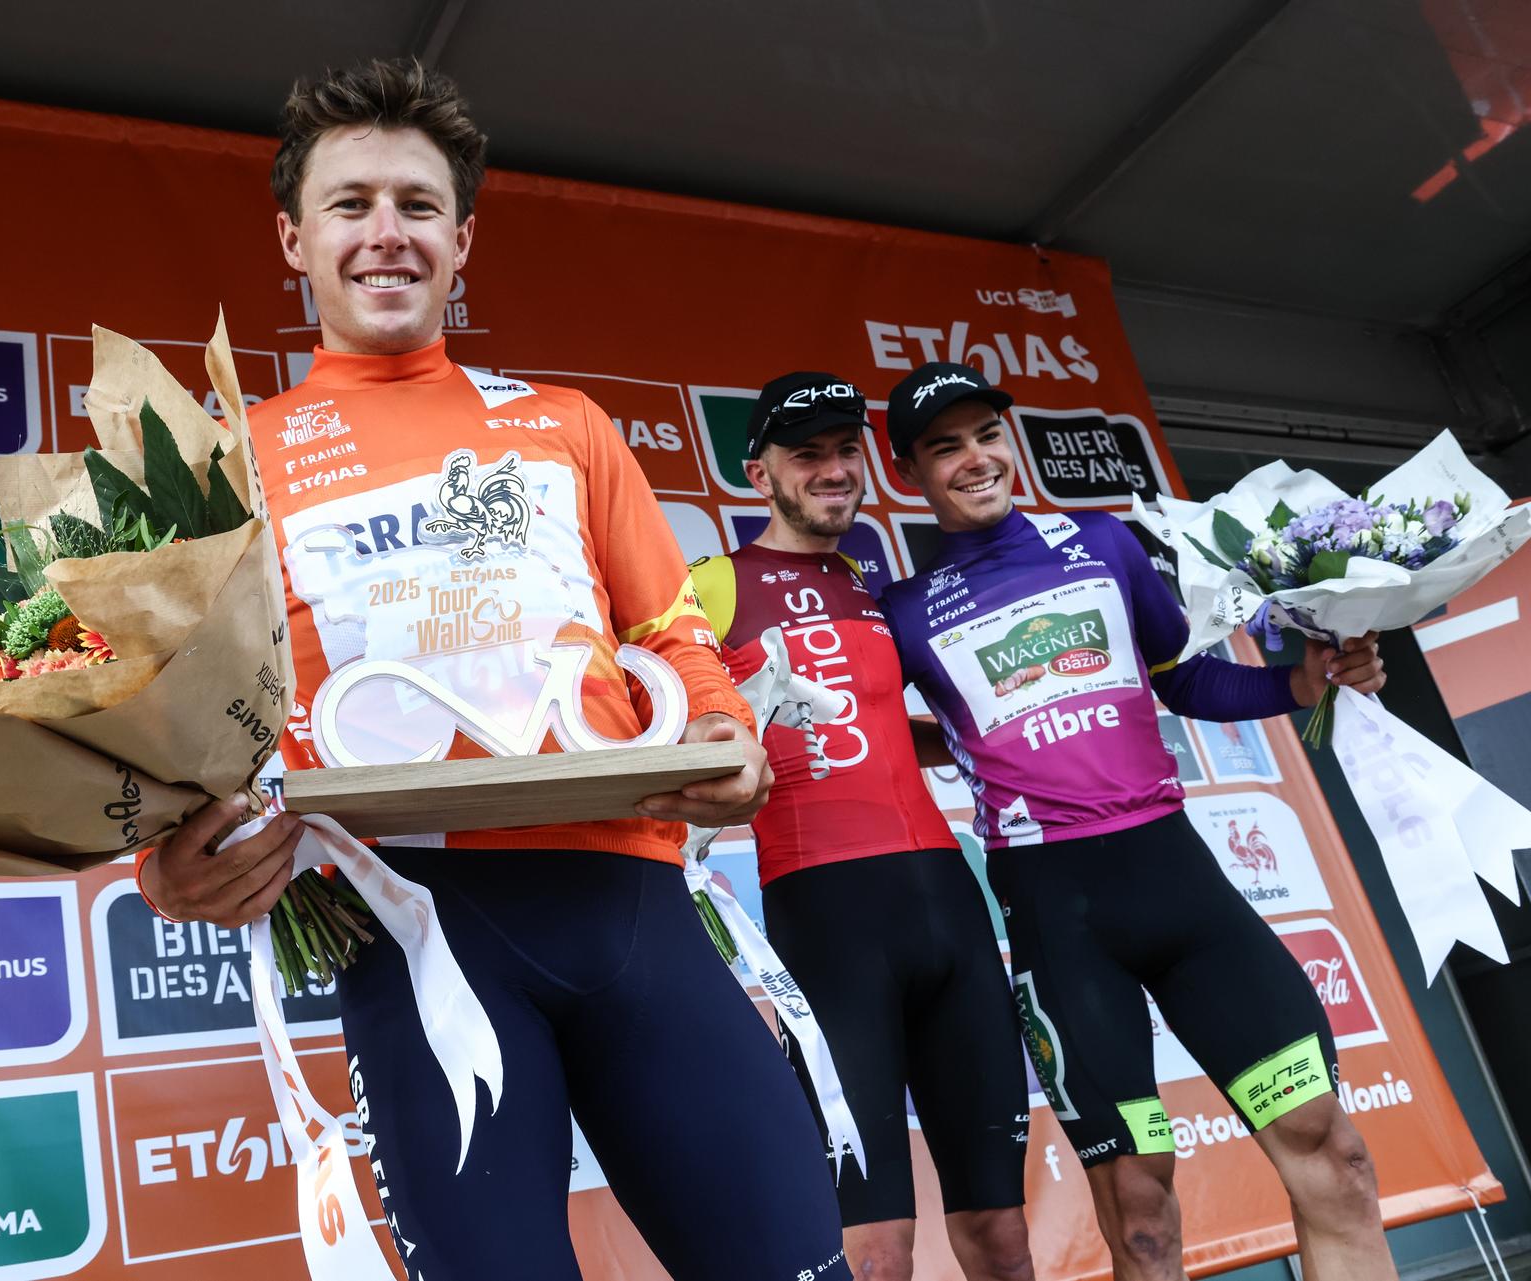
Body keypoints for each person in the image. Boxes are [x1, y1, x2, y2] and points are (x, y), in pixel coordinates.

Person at [135, 58, 850, 1281]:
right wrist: (166, 858)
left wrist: (728, 737)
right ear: (291, 240)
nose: (385, 234)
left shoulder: (566, 424)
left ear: (462, 241)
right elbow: (173, 726)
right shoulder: (223, 462)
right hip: (406, 927)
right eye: (349, 204)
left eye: (417, 206)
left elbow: (673, 638)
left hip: (630, 904)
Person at [875, 361, 1397, 1281]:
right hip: (1058, 917)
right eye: (944, 446)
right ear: (910, 473)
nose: (976, 458)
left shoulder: (1103, 545)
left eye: (987, 433)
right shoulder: (905, 614)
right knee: (1142, 1216)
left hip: (1180, 884)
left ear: (1010, 439)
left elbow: (1182, 674)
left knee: (1336, 1159)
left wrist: (1301, 683)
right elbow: (877, 731)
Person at [691, 372, 1036, 1281]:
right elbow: (666, 727)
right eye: (807, 454)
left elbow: (888, 725)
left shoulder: (869, 582)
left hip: (951, 915)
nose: (834, 470)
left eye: (847, 451)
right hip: (829, 924)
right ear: (757, 471)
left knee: (1002, 1233)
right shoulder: (711, 585)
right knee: (876, 1253)